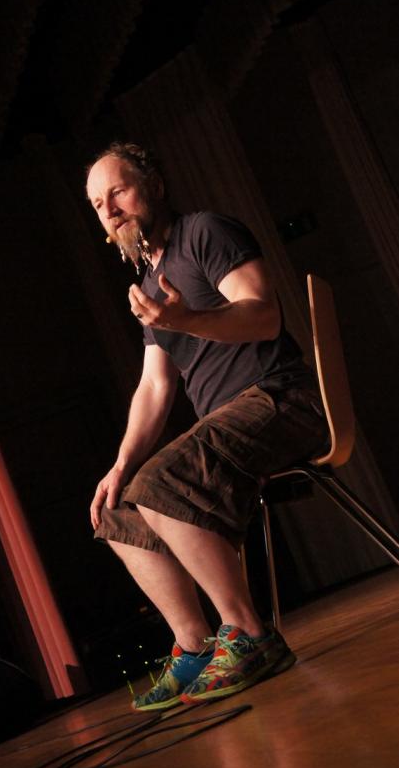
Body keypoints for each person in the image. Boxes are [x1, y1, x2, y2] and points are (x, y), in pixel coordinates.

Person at [86, 141, 329, 712]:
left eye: (118, 191)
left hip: (280, 399)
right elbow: (155, 387)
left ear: (154, 186)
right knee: (118, 507)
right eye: (98, 204)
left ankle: (250, 634)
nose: (110, 210)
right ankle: (196, 646)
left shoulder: (205, 232)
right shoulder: (149, 285)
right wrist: (119, 465)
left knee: (161, 481)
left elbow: (263, 315)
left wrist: (187, 319)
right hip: (228, 425)